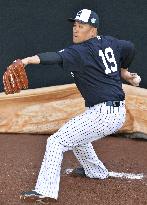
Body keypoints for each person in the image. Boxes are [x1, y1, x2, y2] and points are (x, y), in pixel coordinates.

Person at [20, 9, 141, 203]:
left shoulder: (80, 51)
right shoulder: (110, 41)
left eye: (81, 26)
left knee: (55, 142)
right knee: (78, 136)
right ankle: (96, 171)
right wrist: (124, 72)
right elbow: (130, 47)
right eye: (75, 25)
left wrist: (26, 60)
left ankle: (45, 191)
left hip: (103, 113)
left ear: (93, 30)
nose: (76, 30)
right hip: (112, 111)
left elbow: (54, 57)